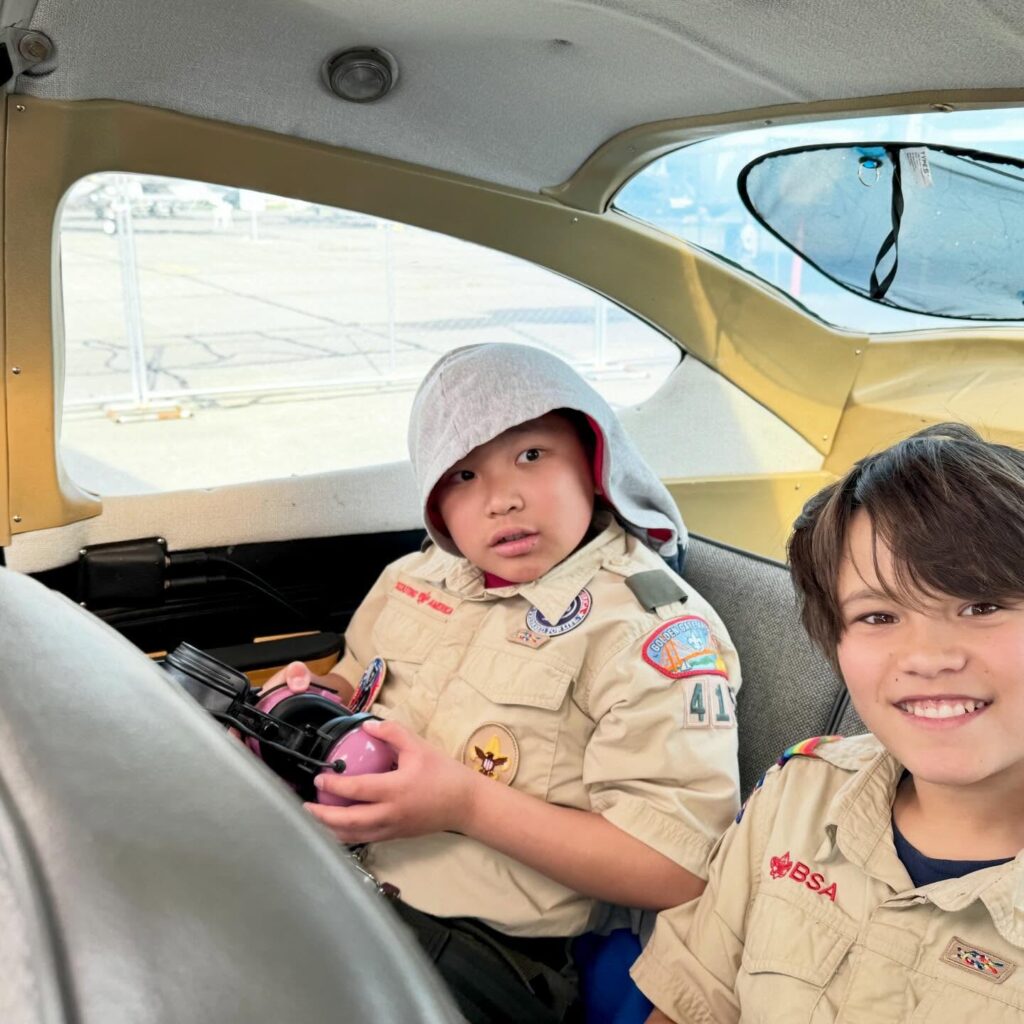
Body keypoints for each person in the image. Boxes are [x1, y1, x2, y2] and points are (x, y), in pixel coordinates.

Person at [266, 342, 742, 1023]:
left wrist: (466, 806)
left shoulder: (648, 630)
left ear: (593, 457)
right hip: (326, 881)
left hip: (479, 952)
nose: (502, 499)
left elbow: (676, 868)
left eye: (531, 455)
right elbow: (353, 683)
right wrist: (305, 703)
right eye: (462, 474)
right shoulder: (411, 579)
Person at [632, 422, 1024, 1023]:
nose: (927, 657)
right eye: (878, 616)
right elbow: (692, 1005)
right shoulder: (800, 794)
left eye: (982, 605)